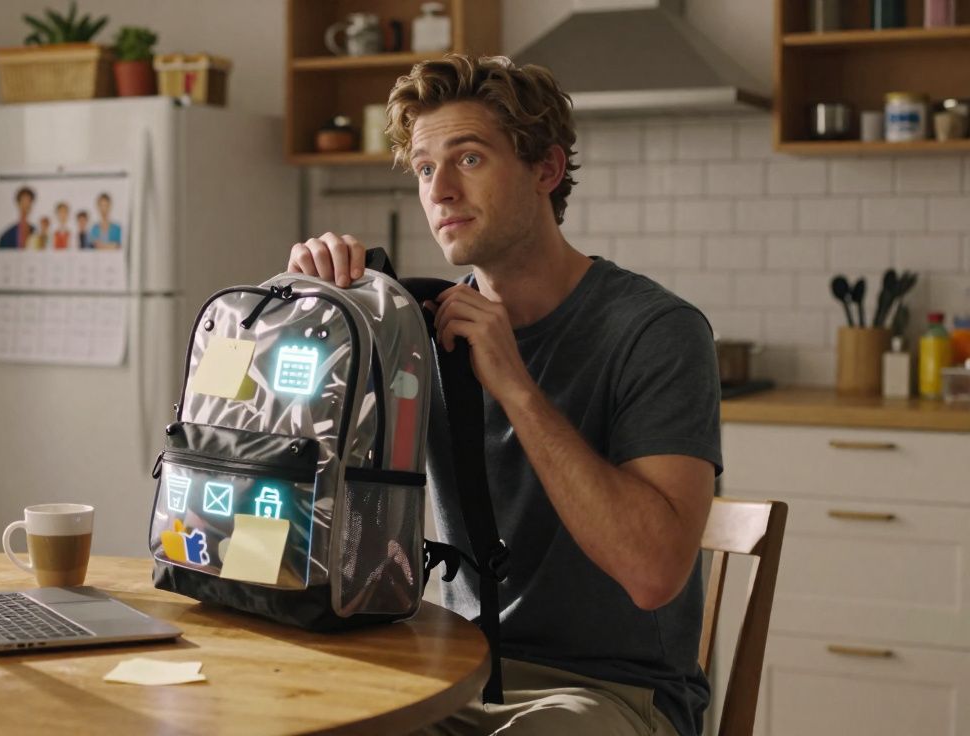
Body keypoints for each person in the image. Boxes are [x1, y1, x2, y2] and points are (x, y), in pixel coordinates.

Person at [286, 55, 720, 736]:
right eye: (426, 168)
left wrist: (516, 386)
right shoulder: (414, 329)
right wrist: (316, 315)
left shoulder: (658, 331)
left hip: (610, 697)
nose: (441, 191)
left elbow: (653, 573)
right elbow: (310, 498)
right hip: (448, 670)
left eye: (470, 159)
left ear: (546, 170)